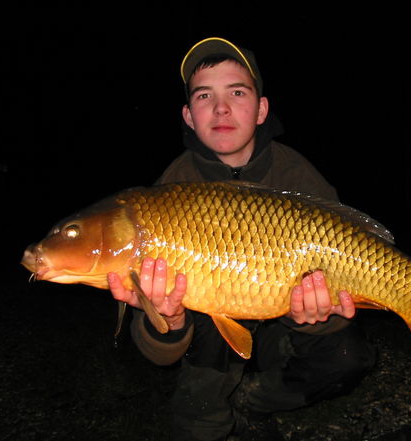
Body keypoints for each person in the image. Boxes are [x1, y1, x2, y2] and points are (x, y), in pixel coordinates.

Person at [107, 37, 375, 441]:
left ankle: (253, 400)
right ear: (188, 115)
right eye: (204, 96)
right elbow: (156, 351)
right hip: (210, 331)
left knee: (346, 356)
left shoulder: (298, 176)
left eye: (237, 92)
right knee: (203, 355)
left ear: (262, 108)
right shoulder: (169, 189)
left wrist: (314, 318)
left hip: (279, 320)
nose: (221, 108)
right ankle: (208, 418)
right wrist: (172, 321)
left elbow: (340, 294)